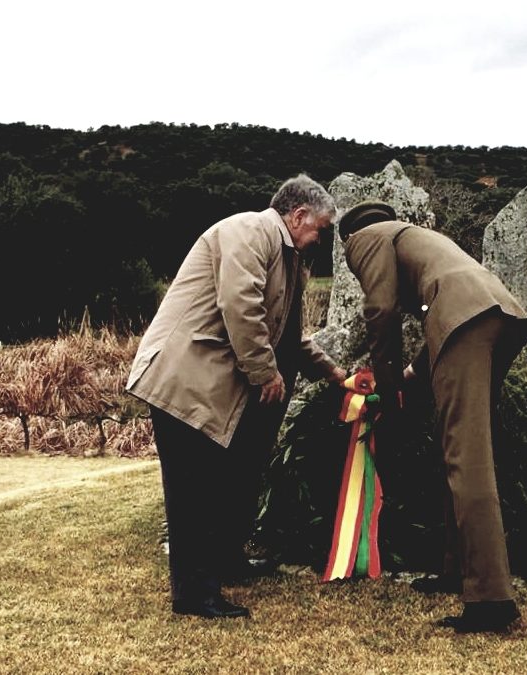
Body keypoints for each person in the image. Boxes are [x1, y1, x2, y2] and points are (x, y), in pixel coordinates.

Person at [127, 174, 345, 619]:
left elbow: (289, 338)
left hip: (210, 384)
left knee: (229, 481)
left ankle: (227, 562)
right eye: (322, 228)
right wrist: (265, 374)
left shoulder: (286, 258)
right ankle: (194, 595)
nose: (323, 239)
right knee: (194, 491)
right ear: (298, 215)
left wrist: (338, 375)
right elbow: (240, 305)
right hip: (184, 379)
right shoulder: (248, 230)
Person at [339, 201, 527, 633]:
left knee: (466, 455)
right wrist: (411, 375)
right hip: (499, 314)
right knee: (461, 447)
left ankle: (490, 599)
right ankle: (457, 570)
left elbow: (381, 311)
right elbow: (447, 304)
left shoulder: (364, 239)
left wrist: (387, 393)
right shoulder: (414, 236)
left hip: (467, 321)